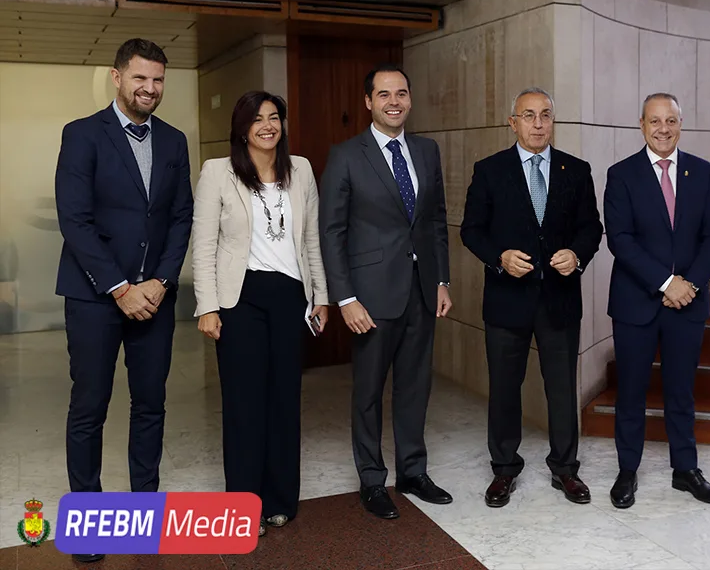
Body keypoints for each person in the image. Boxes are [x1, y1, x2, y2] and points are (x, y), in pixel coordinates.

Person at [55, 38, 193, 564]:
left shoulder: (174, 141)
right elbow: (75, 220)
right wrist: (119, 288)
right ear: (117, 77)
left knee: (150, 404)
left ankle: (144, 512)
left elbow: (181, 216)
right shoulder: (82, 134)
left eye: (157, 79)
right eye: (140, 78)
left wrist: (161, 281)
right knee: (89, 407)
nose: (149, 88)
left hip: (155, 298)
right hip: (95, 297)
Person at [192, 91, 329, 536]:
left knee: (284, 400)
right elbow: (204, 245)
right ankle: (242, 507)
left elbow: (311, 239)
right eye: (257, 119)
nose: (267, 126)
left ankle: (280, 500)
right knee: (244, 404)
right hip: (240, 299)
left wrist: (321, 295)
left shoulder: (301, 169)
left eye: (274, 117)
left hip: (291, 297)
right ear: (242, 128)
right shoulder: (218, 172)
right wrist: (207, 307)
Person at [319, 63, 452, 519]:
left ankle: (413, 472)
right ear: (368, 102)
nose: (394, 102)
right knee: (369, 393)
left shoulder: (427, 151)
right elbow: (331, 231)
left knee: (415, 387)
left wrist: (442, 280)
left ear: (410, 99)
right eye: (384, 94)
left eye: (401, 93)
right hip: (370, 296)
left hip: (421, 290)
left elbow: (436, 222)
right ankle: (372, 480)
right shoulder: (346, 155)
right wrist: (345, 298)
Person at [461, 87, 603, 507]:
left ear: (553, 121)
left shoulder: (576, 170)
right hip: (507, 300)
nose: (538, 124)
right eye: (528, 115)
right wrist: (499, 258)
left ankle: (566, 469)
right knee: (505, 388)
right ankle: (504, 469)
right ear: (513, 123)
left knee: (562, 389)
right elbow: (472, 230)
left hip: (560, 300)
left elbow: (591, 228)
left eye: (545, 115)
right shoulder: (490, 170)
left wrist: (577, 254)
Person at [604, 93, 710, 509]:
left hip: (688, 302)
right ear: (641, 125)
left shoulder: (703, 172)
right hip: (636, 303)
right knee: (630, 391)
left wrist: (688, 284)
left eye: (670, 120)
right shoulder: (621, 174)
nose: (663, 129)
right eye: (655, 121)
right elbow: (620, 239)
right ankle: (627, 470)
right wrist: (665, 282)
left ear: (681, 124)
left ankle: (685, 470)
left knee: (681, 390)